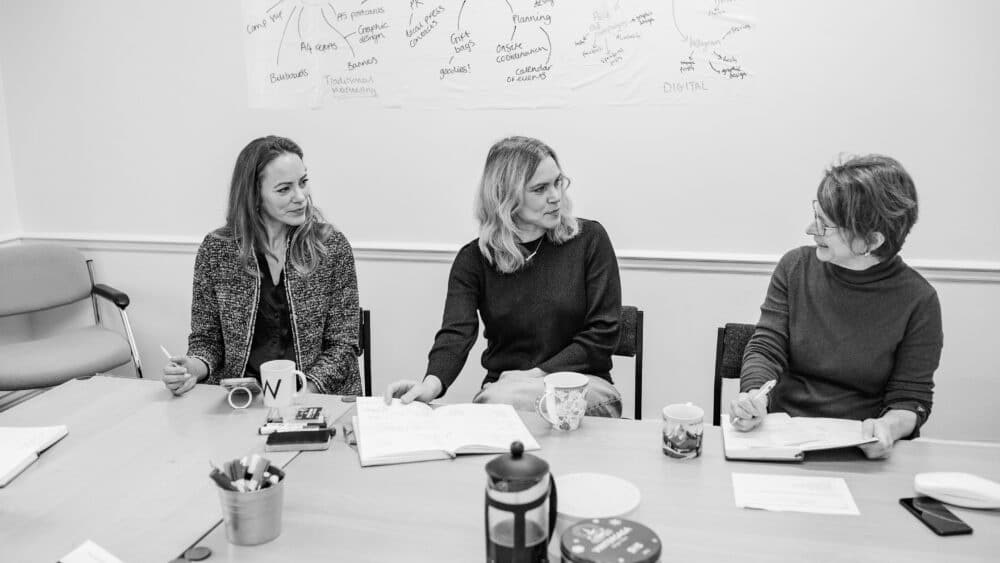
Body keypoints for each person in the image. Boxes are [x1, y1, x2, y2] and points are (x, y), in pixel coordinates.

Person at [385, 136, 623, 417]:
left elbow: (603, 334)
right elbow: (456, 334)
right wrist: (430, 384)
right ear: (505, 197)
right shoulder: (473, 260)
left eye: (558, 182)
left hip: (583, 387)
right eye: (540, 188)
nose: (555, 196)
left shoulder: (589, 240)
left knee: (499, 404)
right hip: (506, 393)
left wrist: (533, 376)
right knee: (502, 404)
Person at [730, 154, 943, 459]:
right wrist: (753, 397)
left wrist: (887, 428)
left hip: (858, 447)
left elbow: (911, 398)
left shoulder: (919, 300)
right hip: (784, 439)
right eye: (815, 213)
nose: (809, 228)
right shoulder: (795, 267)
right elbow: (767, 347)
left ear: (869, 241)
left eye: (824, 224)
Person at [162, 136, 361, 396]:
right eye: (284, 189)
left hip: (316, 398)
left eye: (303, 183)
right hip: (241, 401)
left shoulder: (330, 246)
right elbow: (207, 341)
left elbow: (343, 345)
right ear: (254, 195)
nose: (300, 197)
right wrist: (192, 368)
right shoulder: (216, 249)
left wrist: (305, 391)